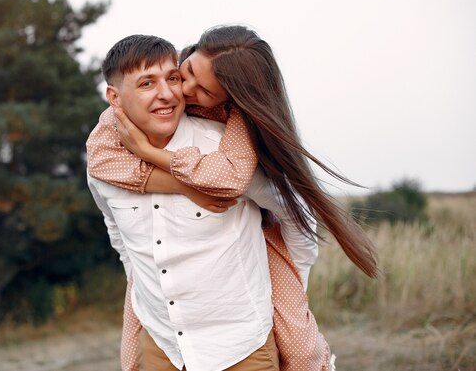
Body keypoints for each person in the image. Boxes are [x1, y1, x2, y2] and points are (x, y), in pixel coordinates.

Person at [88, 25, 377, 370]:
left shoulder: (225, 143)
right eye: (149, 83)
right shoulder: (106, 162)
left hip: (239, 346)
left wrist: (289, 285)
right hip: (162, 341)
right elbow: (119, 235)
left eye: (173, 80)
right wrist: (148, 287)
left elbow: (291, 211)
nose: (172, 93)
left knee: (302, 354)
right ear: (115, 98)